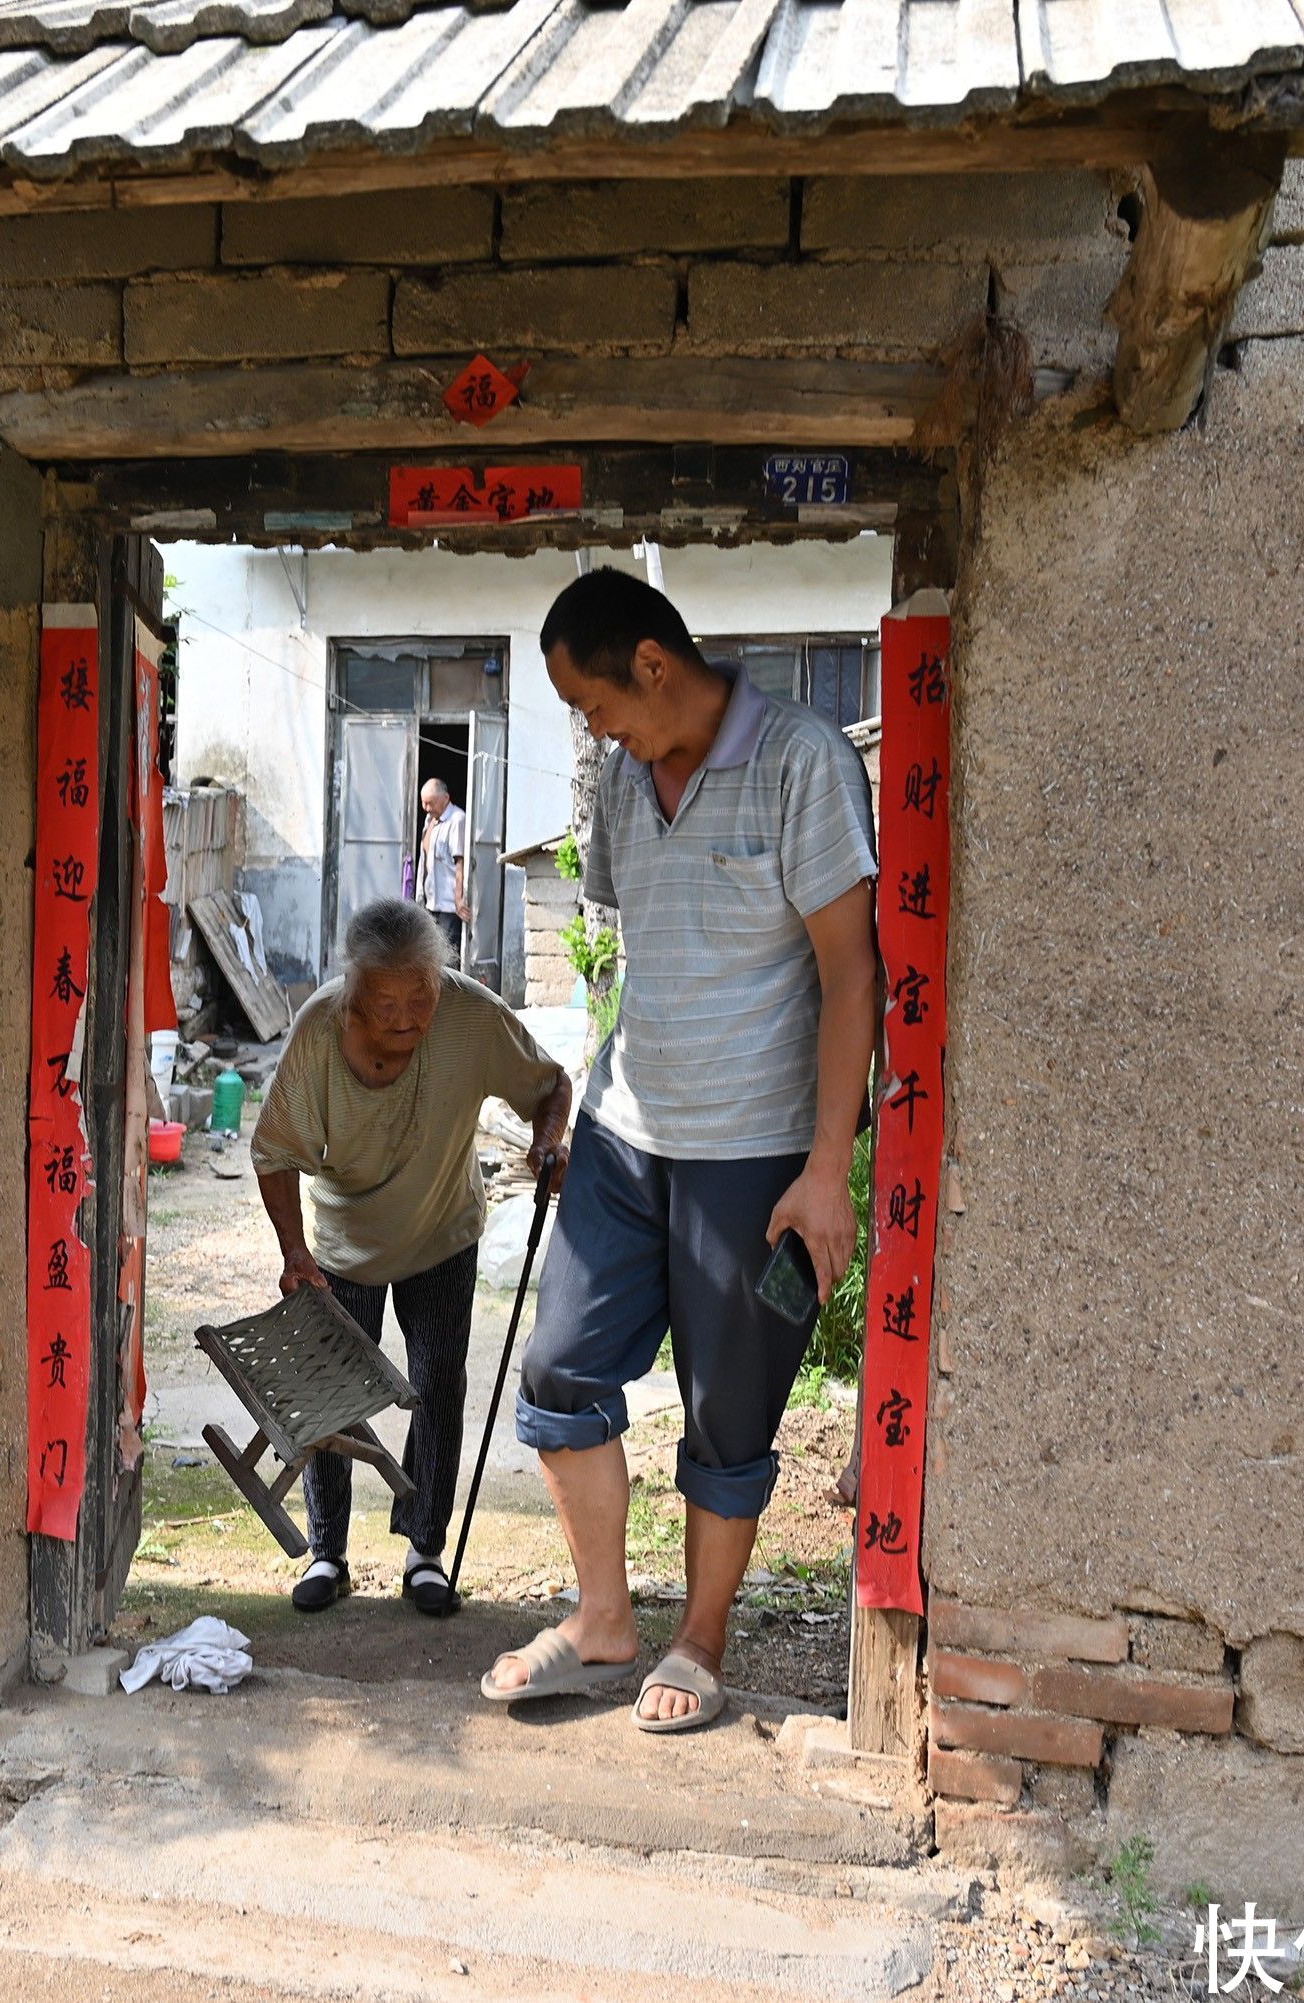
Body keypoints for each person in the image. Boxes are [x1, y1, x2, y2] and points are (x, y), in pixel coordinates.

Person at [480, 568, 879, 1734]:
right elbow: (637, 946)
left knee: (728, 1414)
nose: (593, 729)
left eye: (596, 703)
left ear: (653, 663)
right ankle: (604, 1618)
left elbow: (850, 970)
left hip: (755, 1153)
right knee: (560, 1369)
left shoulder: (804, 760)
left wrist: (827, 1167)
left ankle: (700, 1637)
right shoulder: (621, 778)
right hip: (625, 1132)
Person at [252, 898, 572, 1617]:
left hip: (440, 1231)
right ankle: (328, 1551)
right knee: (329, 1391)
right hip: (343, 1241)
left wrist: (547, 1144)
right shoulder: (317, 1031)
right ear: (352, 995)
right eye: (386, 1003)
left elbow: (550, 1084)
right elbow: (274, 1150)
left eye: (420, 996)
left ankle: (425, 1549)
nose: (406, 1018)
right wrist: (293, 1250)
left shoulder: (471, 1016)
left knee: (438, 1382)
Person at [418, 778, 470, 959]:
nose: (426, 808)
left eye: (430, 803)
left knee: (447, 959)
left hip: (448, 906)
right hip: (431, 903)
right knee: (430, 956)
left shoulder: (457, 819)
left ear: (446, 798)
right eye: (423, 802)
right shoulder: (429, 820)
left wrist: (459, 899)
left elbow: (460, 861)